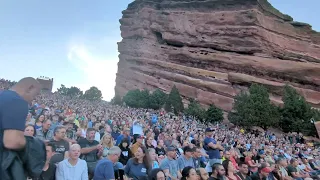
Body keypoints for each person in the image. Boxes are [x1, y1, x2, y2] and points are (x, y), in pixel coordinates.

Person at [0, 77, 40, 177]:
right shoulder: (17, 101)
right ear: (30, 88)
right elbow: (12, 142)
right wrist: (35, 144)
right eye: (34, 96)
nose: (32, 101)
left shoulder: (3, 95)